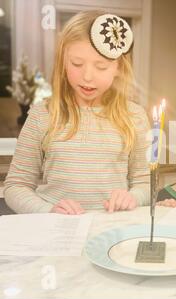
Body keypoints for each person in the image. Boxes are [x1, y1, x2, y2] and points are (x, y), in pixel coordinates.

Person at [4, 11, 150, 214]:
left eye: (101, 67)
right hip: (55, 231)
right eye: (77, 64)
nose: (87, 76)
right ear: (63, 62)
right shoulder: (42, 114)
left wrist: (132, 197)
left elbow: (144, 182)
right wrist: (48, 210)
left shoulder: (135, 116)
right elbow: (15, 186)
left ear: (119, 68)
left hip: (110, 230)